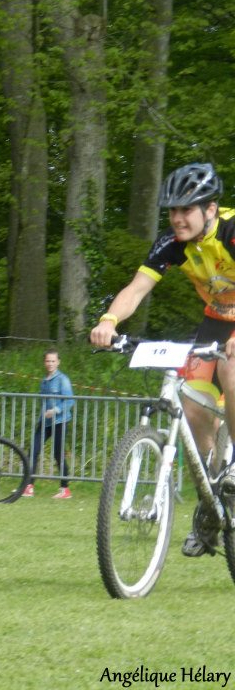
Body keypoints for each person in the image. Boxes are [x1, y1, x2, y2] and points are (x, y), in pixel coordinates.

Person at [90, 161, 235, 553]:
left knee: (232, 366)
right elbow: (136, 289)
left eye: (186, 209)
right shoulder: (171, 243)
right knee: (191, 409)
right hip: (215, 324)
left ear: (210, 208)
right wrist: (109, 320)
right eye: (172, 210)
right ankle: (212, 496)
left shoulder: (232, 230)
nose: (177, 218)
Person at [24, 348, 74, 500]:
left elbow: (70, 400)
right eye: (48, 361)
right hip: (45, 422)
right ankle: (28, 486)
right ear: (44, 362)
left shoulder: (63, 380)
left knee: (58, 454)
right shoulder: (44, 381)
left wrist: (57, 410)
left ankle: (65, 489)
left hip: (60, 421)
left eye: (53, 361)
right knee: (33, 450)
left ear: (58, 362)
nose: (50, 363)